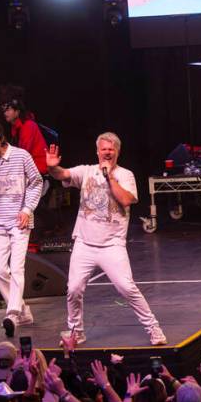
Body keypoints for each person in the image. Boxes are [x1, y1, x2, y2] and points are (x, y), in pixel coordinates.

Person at [45, 134, 167, 346]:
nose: (107, 153)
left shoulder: (125, 175)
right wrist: (52, 167)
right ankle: (76, 332)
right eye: (104, 149)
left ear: (117, 152)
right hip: (84, 243)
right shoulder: (86, 171)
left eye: (111, 149)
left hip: (112, 245)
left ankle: (153, 328)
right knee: (73, 289)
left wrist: (110, 177)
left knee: (127, 288)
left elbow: (127, 200)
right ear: (97, 152)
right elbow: (62, 174)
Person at [0, 121, 44, 337]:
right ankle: (23, 311)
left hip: (19, 221)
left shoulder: (21, 156)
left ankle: (12, 314)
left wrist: (27, 209)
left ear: (1, 138)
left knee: (17, 268)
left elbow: (37, 182)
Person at [2, 99, 47, 177]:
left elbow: (24, 152)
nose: (5, 113)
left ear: (17, 112)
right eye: (4, 111)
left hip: (38, 167)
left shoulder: (28, 125)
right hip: (29, 167)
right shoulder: (15, 127)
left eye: (8, 110)